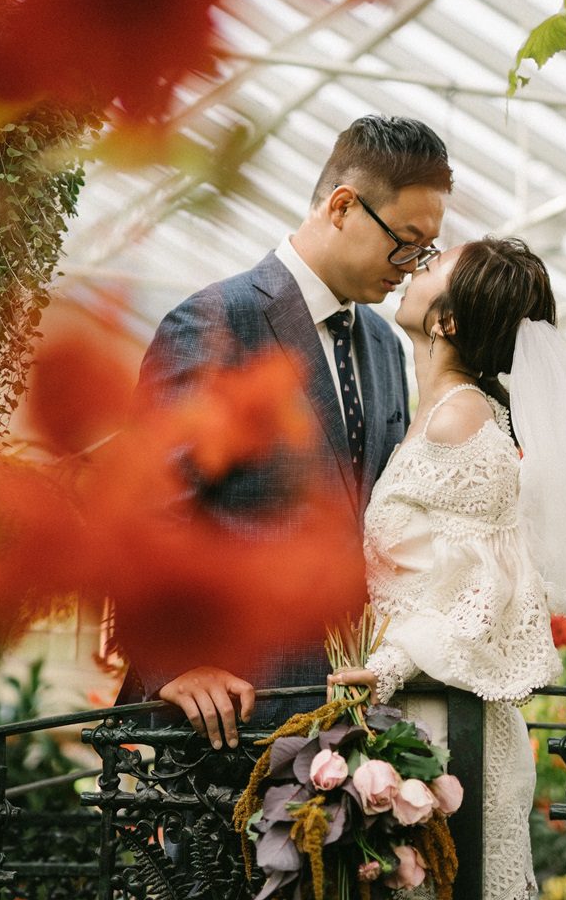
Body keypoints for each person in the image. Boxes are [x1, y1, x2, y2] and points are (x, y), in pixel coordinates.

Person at [329, 236, 566, 900]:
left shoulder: (465, 425)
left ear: (447, 319)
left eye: (434, 272)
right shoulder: (443, 410)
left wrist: (394, 661)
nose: (416, 268)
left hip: (447, 738)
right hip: (427, 730)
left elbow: (491, 588)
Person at [120, 114, 453, 740]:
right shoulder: (214, 322)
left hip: (351, 718)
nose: (412, 267)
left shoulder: (384, 342)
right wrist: (175, 666)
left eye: (425, 251)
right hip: (231, 717)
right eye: (405, 242)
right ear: (343, 207)